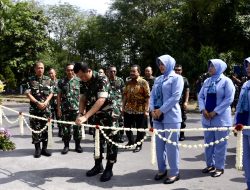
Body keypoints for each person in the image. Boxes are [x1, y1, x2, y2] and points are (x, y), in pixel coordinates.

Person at [74, 62, 120, 182]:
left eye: (83, 76)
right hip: (96, 116)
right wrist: (80, 113)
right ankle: (98, 165)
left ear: (89, 70)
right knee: (97, 141)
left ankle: (109, 168)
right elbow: (83, 98)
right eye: (79, 77)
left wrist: (86, 116)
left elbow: (101, 100)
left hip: (110, 115)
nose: (81, 79)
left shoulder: (102, 78)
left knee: (111, 142)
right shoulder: (82, 81)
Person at [150, 54, 184, 184]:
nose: (161, 66)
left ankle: (174, 173)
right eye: (159, 64)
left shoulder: (177, 78)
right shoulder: (158, 79)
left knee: (171, 146)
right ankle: (161, 170)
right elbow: (152, 96)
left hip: (171, 117)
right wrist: (152, 110)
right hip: (157, 117)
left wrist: (161, 110)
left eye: (163, 63)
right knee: (159, 146)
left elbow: (175, 97)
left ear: (170, 64)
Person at [198, 59, 235, 177]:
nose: (209, 68)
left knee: (220, 144)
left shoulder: (226, 81)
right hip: (207, 118)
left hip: (221, 118)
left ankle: (219, 167)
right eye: (209, 66)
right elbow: (201, 96)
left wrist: (215, 112)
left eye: (212, 66)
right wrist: (203, 109)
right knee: (208, 144)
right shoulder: (207, 81)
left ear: (219, 67)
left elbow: (229, 99)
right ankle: (210, 165)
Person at [25, 61, 53, 158]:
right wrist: (37, 103)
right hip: (35, 109)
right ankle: (37, 149)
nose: (40, 69)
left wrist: (45, 102)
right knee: (35, 128)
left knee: (45, 128)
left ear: (44, 69)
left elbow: (52, 92)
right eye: (38, 68)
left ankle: (44, 149)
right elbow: (28, 93)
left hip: (46, 109)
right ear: (35, 69)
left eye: (42, 68)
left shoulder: (49, 79)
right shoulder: (30, 80)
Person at [122, 65, 150, 153]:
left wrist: (146, 110)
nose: (132, 73)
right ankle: (130, 141)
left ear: (139, 72)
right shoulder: (128, 82)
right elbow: (125, 96)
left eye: (134, 71)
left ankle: (138, 145)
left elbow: (147, 97)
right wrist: (122, 107)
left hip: (140, 110)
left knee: (140, 129)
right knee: (127, 127)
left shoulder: (143, 82)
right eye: (131, 71)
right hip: (128, 109)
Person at [57, 63, 82, 154]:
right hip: (65, 109)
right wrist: (59, 109)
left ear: (74, 71)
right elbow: (59, 96)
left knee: (77, 128)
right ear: (66, 71)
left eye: (71, 70)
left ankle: (77, 146)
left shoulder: (79, 81)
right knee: (66, 129)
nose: (70, 72)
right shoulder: (61, 81)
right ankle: (66, 146)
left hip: (76, 109)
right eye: (68, 70)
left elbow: (82, 96)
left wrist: (83, 110)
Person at [234, 57, 250, 190]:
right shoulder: (245, 84)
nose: (248, 68)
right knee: (246, 160)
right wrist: (236, 123)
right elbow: (239, 105)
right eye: (247, 66)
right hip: (244, 126)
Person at [108, 65, 125, 143]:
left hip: (119, 104)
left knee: (120, 121)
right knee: (111, 121)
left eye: (114, 71)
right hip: (109, 104)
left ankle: (121, 136)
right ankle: (112, 137)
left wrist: (123, 104)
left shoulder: (120, 80)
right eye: (111, 71)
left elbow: (124, 93)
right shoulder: (106, 80)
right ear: (108, 72)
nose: (113, 73)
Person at [174, 64, 190, 141]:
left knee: (182, 120)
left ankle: (181, 134)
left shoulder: (184, 79)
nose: (177, 71)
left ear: (181, 70)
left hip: (181, 104)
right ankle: (173, 135)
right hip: (172, 104)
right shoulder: (171, 79)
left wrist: (186, 102)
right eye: (176, 70)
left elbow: (187, 91)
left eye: (179, 70)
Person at [48, 68, 62, 137]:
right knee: (51, 117)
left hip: (58, 103)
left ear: (55, 73)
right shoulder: (47, 82)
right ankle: (50, 131)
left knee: (59, 116)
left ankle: (60, 130)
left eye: (52, 73)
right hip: (50, 103)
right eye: (50, 73)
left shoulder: (59, 82)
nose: (51, 75)